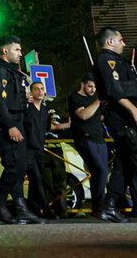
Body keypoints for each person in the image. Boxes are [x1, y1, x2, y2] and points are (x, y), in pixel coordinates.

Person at [0, 33, 43, 225]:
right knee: (16, 165)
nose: (20, 53)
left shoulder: (11, 72)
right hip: (4, 124)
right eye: (16, 49)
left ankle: (20, 208)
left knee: (19, 165)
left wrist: (21, 99)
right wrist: (10, 126)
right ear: (4, 51)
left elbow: (8, 98)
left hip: (15, 121)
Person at [91, 27, 137, 223]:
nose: (124, 44)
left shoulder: (118, 62)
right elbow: (113, 89)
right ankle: (108, 206)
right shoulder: (105, 61)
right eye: (121, 39)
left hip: (125, 118)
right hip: (121, 118)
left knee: (125, 162)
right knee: (131, 158)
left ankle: (109, 206)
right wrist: (133, 109)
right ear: (110, 42)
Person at [68, 74, 116, 221]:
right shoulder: (75, 98)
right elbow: (83, 115)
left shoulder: (95, 99)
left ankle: (98, 208)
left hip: (99, 139)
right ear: (83, 85)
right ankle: (100, 207)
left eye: (95, 87)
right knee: (99, 170)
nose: (93, 90)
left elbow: (100, 116)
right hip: (85, 139)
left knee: (100, 172)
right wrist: (98, 101)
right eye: (90, 86)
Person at [24, 80, 65, 218]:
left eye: (42, 88)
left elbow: (49, 127)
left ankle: (32, 208)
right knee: (37, 178)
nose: (40, 91)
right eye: (36, 88)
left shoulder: (44, 112)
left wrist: (67, 125)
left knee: (36, 180)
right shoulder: (26, 109)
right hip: (27, 149)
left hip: (39, 149)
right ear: (31, 92)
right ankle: (46, 209)